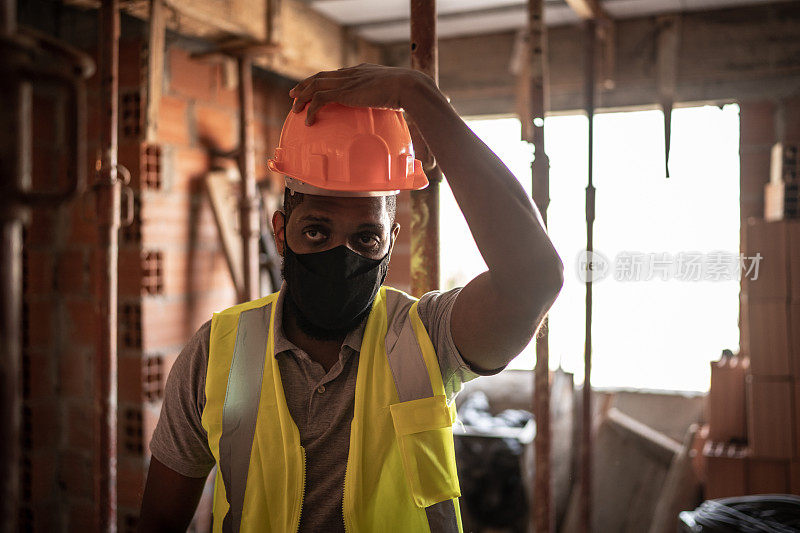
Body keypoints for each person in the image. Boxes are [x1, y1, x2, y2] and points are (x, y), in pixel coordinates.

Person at [138, 63, 564, 533]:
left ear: (391, 240)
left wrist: (419, 95)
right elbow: (160, 519)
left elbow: (534, 278)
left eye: (365, 238)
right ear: (281, 233)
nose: (340, 257)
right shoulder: (217, 350)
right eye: (316, 230)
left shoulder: (427, 339)